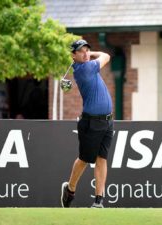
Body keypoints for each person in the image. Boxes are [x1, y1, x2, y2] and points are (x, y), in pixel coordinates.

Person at [61, 39, 114, 208]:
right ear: (73, 56)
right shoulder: (86, 68)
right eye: (81, 51)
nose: (86, 53)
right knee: (85, 159)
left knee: (102, 158)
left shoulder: (87, 65)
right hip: (91, 122)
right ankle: (70, 189)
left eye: (87, 50)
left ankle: (98, 201)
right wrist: (93, 53)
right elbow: (106, 55)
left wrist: (89, 54)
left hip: (107, 121)